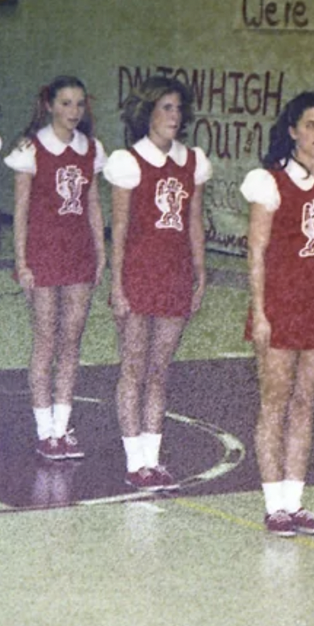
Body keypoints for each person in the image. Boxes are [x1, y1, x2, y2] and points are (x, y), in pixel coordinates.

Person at [240, 91, 314, 536]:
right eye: (310, 125)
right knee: (275, 402)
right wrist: (260, 311)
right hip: (280, 303)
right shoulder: (270, 182)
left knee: (306, 402)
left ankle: (295, 500)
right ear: (292, 130)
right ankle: (274, 505)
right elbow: (256, 249)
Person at [103, 76, 210, 492]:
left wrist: (200, 274)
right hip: (139, 273)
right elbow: (122, 227)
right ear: (147, 112)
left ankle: (153, 458)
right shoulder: (129, 162)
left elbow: (194, 222)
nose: (174, 116)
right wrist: (118, 284)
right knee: (133, 366)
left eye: (179, 109)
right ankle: (135, 461)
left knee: (159, 371)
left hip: (176, 272)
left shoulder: (192, 161)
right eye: (166, 108)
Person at [5, 76, 106, 459]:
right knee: (46, 340)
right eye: (66, 104)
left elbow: (94, 204)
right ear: (49, 105)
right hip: (43, 253)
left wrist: (100, 252)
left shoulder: (91, 149)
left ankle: (62, 428)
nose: (73, 112)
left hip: (78, 252)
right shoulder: (32, 149)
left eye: (79, 104)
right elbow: (21, 211)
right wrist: (21, 261)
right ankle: (44, 429)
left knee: (71, 342)